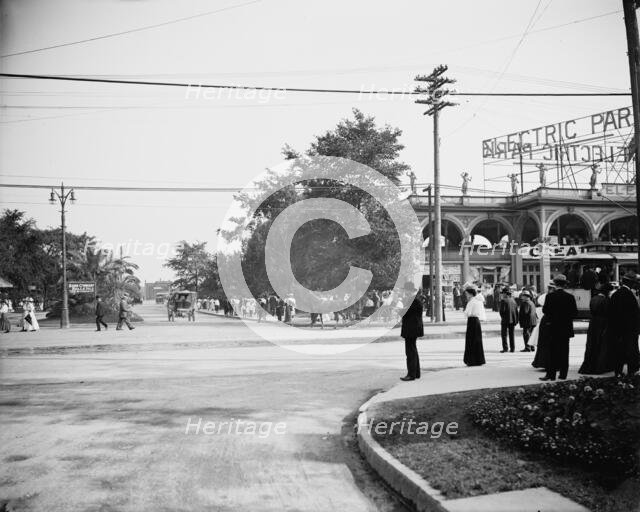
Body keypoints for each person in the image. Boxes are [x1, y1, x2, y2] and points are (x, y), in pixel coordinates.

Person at [540, 275, 577, 381]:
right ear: (565, 284)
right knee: (564, 352)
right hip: (565, 329)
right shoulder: (570, 297)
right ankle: (563, 374)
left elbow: (545, 311)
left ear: (555, 284)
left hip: (553, 328)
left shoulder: (550, 296)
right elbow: (574, 313)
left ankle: (551, 375)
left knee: (552, 352)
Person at [607, 273, 640, 377]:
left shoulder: (615, 294)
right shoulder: (629, 295)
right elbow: (633, 315)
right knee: (632, 351)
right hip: (629, 330)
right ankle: (632, 372)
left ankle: (618, 372)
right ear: (631, 283)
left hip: (618, 330)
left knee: (619, 352)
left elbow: (611, 314)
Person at [579, 284, 612, 374]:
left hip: (593, 323)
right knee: (601, 345)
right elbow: (608, 313)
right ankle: (599, 366)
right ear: (607, 292)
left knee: (591, 344)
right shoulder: (606, 300)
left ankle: (589, 365)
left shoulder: (593, 299)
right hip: (603, 323)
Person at [400, 282, 424, 381]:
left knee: (410, 352)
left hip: (411, 329)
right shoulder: (415, 300)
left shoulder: (411, 301)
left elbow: (404, 313)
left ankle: (411, 374)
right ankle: (416, 372)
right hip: (413, 328)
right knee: (413, 350)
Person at [463, 286, 486, 366]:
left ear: (470, 294)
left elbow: (467, 313)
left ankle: (471, 360)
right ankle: (479, 360)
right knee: (477, 341)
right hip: (477, 321)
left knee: (470, 341)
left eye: (466, 294)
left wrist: (465, 313)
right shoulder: (479, 301)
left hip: (472, 321)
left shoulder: (471, 302)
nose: (466, 295)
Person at [499, 287, 518, 353]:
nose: (502, 295)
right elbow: (516, 311)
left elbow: (501, 311)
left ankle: (505, 348)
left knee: (504, 334)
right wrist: (516, 320)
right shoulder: (513, 300)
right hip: (512, 320)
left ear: (505, 293)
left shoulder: (503, 300)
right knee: (511, 334)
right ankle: (512, 348)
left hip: (505, 320)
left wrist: (503, 318)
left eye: (503, 293)